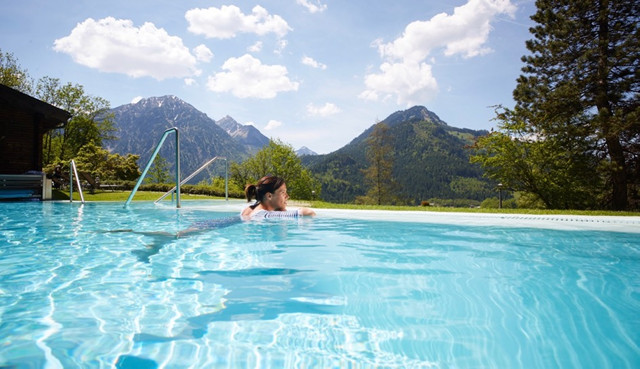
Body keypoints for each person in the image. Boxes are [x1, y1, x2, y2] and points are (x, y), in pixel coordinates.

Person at [242, 176, 315, 219]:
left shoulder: (248, 210)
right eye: (283, 192)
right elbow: (309, 213)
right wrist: (283, 211)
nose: (287, 196)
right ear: (269, 196)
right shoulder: (264, 215)